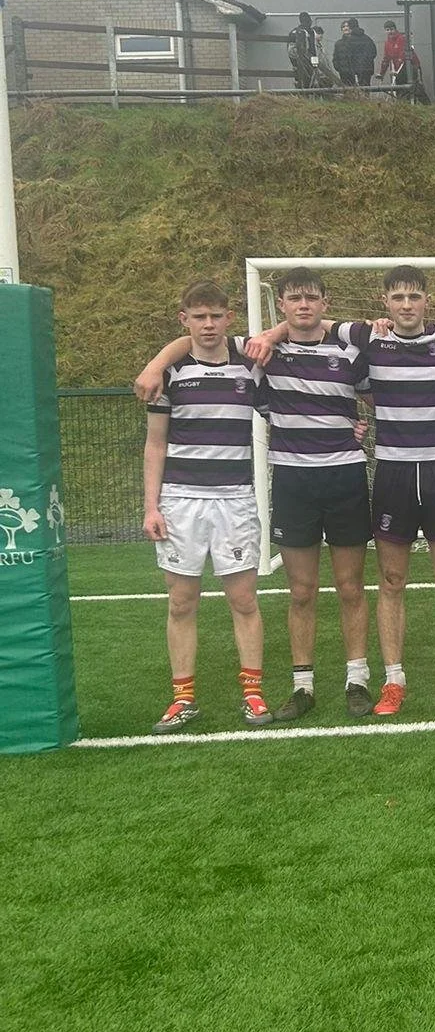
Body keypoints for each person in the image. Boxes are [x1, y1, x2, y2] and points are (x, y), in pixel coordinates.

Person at [249, 266, 435, 714]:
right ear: (384, 301)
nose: (407, 305)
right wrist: (273, 334)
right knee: (391, 580)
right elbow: (315, 323)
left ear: (427, 300)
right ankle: (393, 680)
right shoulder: (367, 338)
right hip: (392, 472)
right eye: (398, 297)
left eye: (414, 296)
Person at [139, 280, 270, 731]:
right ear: (185, 320)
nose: (208, 324)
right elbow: (155, 444)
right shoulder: (170, 373)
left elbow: (283, 411)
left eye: (216, 315)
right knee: (181, 602)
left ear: (229, 318)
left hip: (235, 500)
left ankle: (253, 694)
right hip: (180, 501)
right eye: (199, 317)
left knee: (244, 599)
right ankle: (183, 699)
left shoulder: (250, 366)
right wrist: (151, 507)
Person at [333, 18, 377, 88]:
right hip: (364, 70)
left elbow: (348, 57)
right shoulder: (367, 39)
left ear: (351, 28)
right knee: (365, 89)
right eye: (344, 27)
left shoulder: (349, 41)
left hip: (351, 71)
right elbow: (373, 53)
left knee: (351, 91)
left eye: (347, 26)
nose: (346, 28)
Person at [286, 12, 318, 90]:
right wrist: (314, 62)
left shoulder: (295, 31)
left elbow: (289, 49)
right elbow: (313, 47)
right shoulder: (303, 32)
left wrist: (294, 63)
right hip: (304, 61)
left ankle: (302, 93)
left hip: (302, 61)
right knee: (305, 80)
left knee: (304, 80)